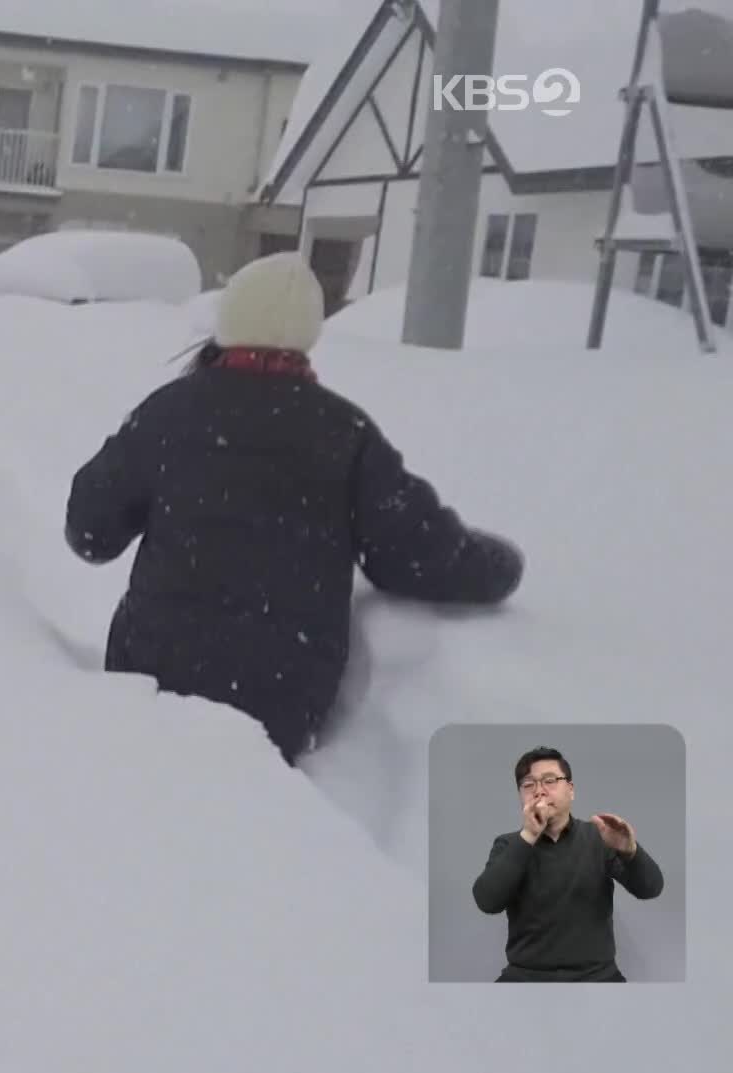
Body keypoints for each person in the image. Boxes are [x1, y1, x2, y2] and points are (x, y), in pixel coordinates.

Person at [63, 252, 523, 764]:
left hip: (149, 680)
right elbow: (418, 555)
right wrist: (499, 566)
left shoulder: (168, 414)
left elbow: (89, 532)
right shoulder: (343, 433)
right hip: (280, 701)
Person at [471, 747, 664, 982]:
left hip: (598, 977)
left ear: (570, 790)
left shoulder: (599, 837)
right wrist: (529, 835)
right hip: (525, 977)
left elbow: (651, 888)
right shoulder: (509, 844)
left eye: (549, 781)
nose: (539, 791)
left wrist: (630, 851)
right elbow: (487, 901)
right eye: (528, 785)